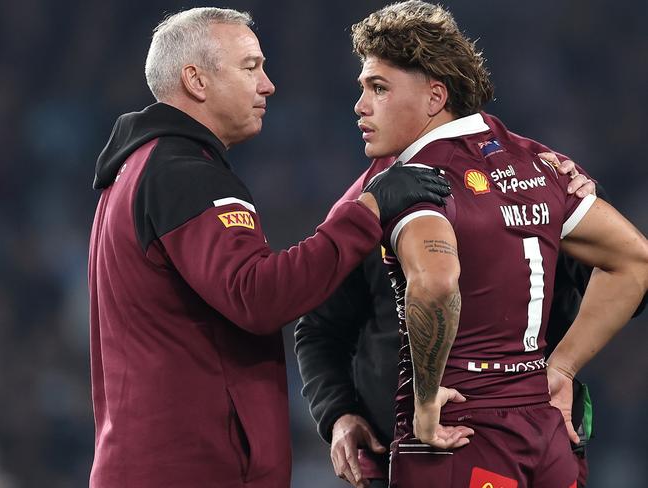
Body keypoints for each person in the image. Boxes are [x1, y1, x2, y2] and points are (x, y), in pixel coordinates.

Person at [87, 7, 451, 488]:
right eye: (250, 67)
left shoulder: (139, 167)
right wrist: (366, 211)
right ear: (196, 80)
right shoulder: (184, 174)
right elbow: (257, 297)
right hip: (194, 469)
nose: (268, 85)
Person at [337, 2, 647, 487]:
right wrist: (562, 366)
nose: (360, 106)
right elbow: (634, 260)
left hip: (460, 426)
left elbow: (437, 283)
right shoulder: (539, 163)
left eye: (378, 88)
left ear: (435, 96)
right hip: (545, 430)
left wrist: (423, 402)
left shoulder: (416, 180)